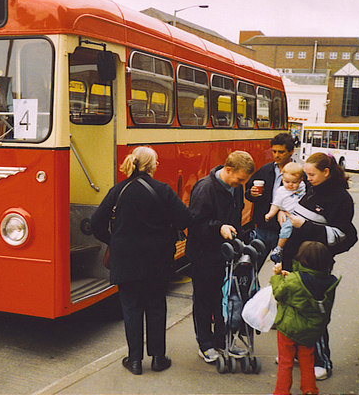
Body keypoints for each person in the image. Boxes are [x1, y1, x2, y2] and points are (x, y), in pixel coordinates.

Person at [90, 146, 192, 375]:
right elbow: (185, 218)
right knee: (156, 306)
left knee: (131, 309)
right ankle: (158, 358)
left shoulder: (118, 190)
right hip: (158, 261)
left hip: (126, 261)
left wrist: (114, 241)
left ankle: (134, 360)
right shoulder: (162, 190)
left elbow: (96, 223)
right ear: (151, 165)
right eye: (156, 161)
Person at [282, 152, 357, 380]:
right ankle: (297, 353)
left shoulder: (341, 199)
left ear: (326, 172)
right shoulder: (313, 190)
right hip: (296, 260)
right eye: (306, 174)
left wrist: (304, 226)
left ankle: (322, 360)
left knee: (315, 313)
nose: (308, 178)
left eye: (312, 174)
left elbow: (345, 236)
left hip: (316, 265)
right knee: (295, 309)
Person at [185, 151, 255, 363]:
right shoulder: (205, 188)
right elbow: (195, 224)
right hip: (204, 254)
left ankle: (221, 341)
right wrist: (219, 228)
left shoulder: (236, 187)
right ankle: (205, 345)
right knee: (205, 301)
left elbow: (235, 216)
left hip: (225, 253)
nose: (241, 183)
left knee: (222, 300)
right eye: (240, 179)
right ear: (228, 169)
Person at [271, 241, 341, 395]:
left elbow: (279, 293)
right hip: (311, 330)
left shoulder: (295, 279)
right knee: (307, 361)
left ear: (302, 259)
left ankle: (281, 391)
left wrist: (277, 276)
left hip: (289, 328)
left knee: (286, 361)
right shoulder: (329, 281)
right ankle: (309, 389)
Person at [246, 133, 302, 263]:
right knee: (251, 267)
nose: (276, 155)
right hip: (262, 228)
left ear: (291, 151)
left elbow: (304, 202)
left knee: (283, 269)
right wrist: (251, 193)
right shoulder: (265, 170)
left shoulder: (299, 174)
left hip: (285, 232)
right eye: (274, 151)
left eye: (281, 152)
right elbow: (248, 192)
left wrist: (284, 210)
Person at [263, 162, 307, 262]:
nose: (290, 185)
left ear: (300, 181)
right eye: (287, 182)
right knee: (287, 228)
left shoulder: (303, 186)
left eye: (294, 182)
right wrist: (270, 214)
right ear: (282, 179)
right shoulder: (281, 191)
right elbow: (275, 204)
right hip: (289, 216)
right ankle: (279, 248)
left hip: (302, 215)